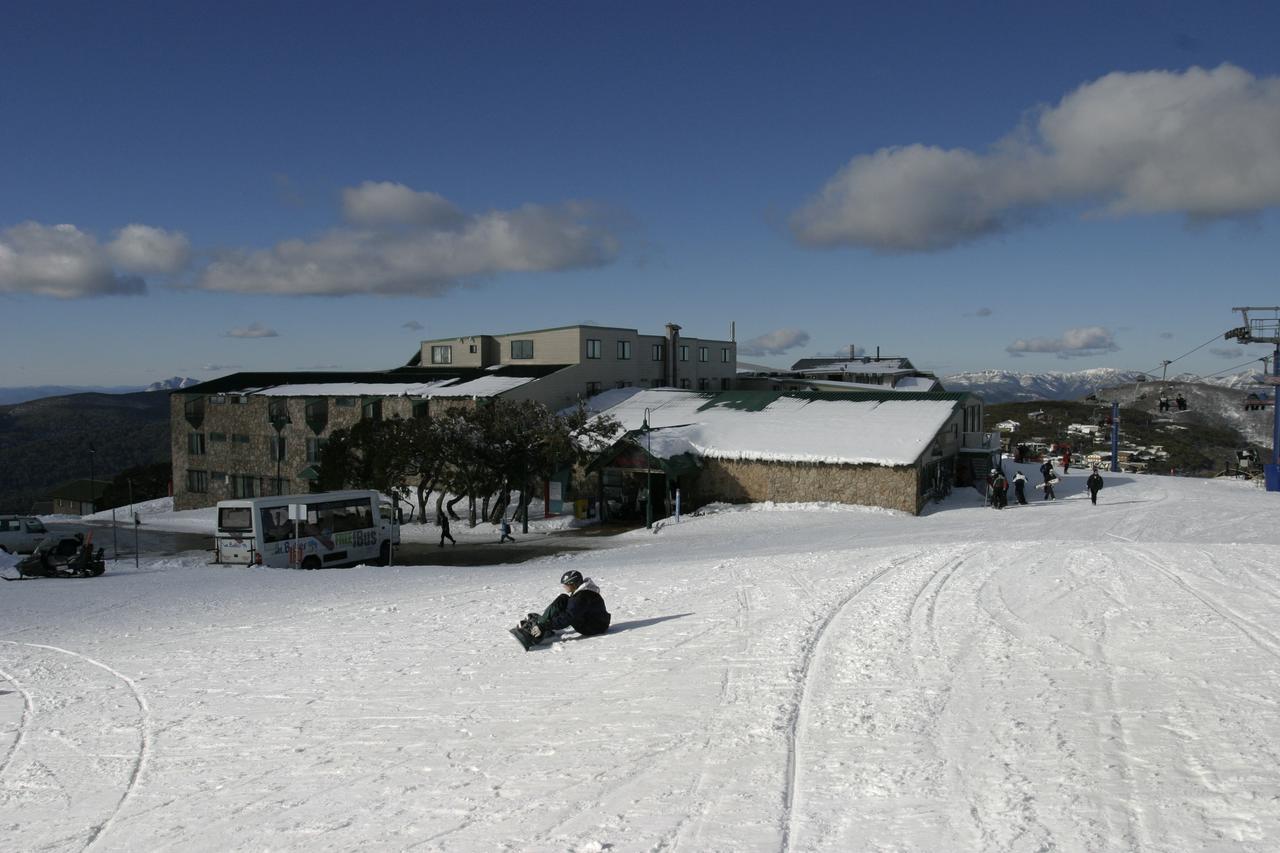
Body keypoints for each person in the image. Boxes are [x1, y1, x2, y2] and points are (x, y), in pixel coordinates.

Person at [514, 570, 611, 647]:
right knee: (563, 598)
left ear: (573, 584)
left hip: (595, 628)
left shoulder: (581, 597)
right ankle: (542, 623)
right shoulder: (582, 593)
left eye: (566, 584)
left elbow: (568, 617)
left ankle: (538, 630)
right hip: (596, 622)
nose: (564, 586)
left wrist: (544, 626)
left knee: (566, 612)